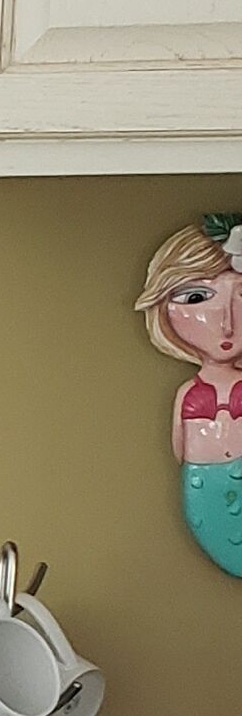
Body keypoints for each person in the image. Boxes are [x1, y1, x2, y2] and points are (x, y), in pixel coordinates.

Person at [134, 213, 242, 574]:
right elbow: (181, 449)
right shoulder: (187, 394)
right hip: (204, 491)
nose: (226, 321)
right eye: (197, 297)